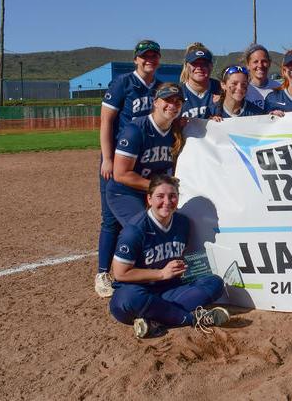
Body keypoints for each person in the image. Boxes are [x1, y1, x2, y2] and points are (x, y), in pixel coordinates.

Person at [109, 174, 230, 338]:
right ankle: (192, 318)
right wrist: (160, 273)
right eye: (160, 196)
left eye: (172, 196)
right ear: (149, 199)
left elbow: (183, 259)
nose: (167, 201)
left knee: (214, 283)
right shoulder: (134, 230)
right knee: (129, 299)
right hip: (138, 291)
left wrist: (188, 268)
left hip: (168, 291)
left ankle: (156, 320)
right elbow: (120, 273)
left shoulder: (182, 223)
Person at [96, 39, 163, 298]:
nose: (149, 60)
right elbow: (106, 121)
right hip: (120, 160)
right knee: (111, 220)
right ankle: (103, 273)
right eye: (144, 56)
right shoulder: (123, 83)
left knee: (149, 214)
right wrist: (107, 158)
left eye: (154, 56)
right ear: (136, 59)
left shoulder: (160, 87)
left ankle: (138, 268)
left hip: (146, 161)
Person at [106, 83, 183, 227]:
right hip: (126, 191)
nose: (172, 105)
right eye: (167, 100)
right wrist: (160, 188)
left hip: (155, 192)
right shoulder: (135, 130)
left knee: (175, 226)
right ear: (155, 102)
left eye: (177, 102)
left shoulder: (178, 130)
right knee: (144, 228)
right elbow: (121, 174)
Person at [180, 43, 221, 119]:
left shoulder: (221, 88)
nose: (199, 67)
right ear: (187, 66)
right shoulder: (178, 93)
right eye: (194, 63)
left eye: (204, 64)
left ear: (211, 66)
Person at [242, 44, 280, 110]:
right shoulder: (242, 90)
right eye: (255, 62)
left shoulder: (279, 88)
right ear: (248, 65)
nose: (260, 65)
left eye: (264, 61)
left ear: (269, 63)